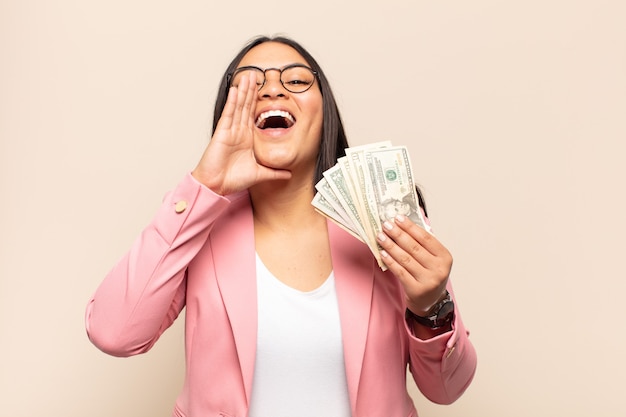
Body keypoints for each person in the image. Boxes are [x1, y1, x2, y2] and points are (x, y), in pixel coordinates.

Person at [85, 35, 477, 417]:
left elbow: (446, 389)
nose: (273, 90)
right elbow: (115, 334)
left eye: (295, 80)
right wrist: (204, 183)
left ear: (325, 113)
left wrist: (431, 309)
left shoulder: (387, 217)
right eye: (251, 83)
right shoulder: (198, 224)